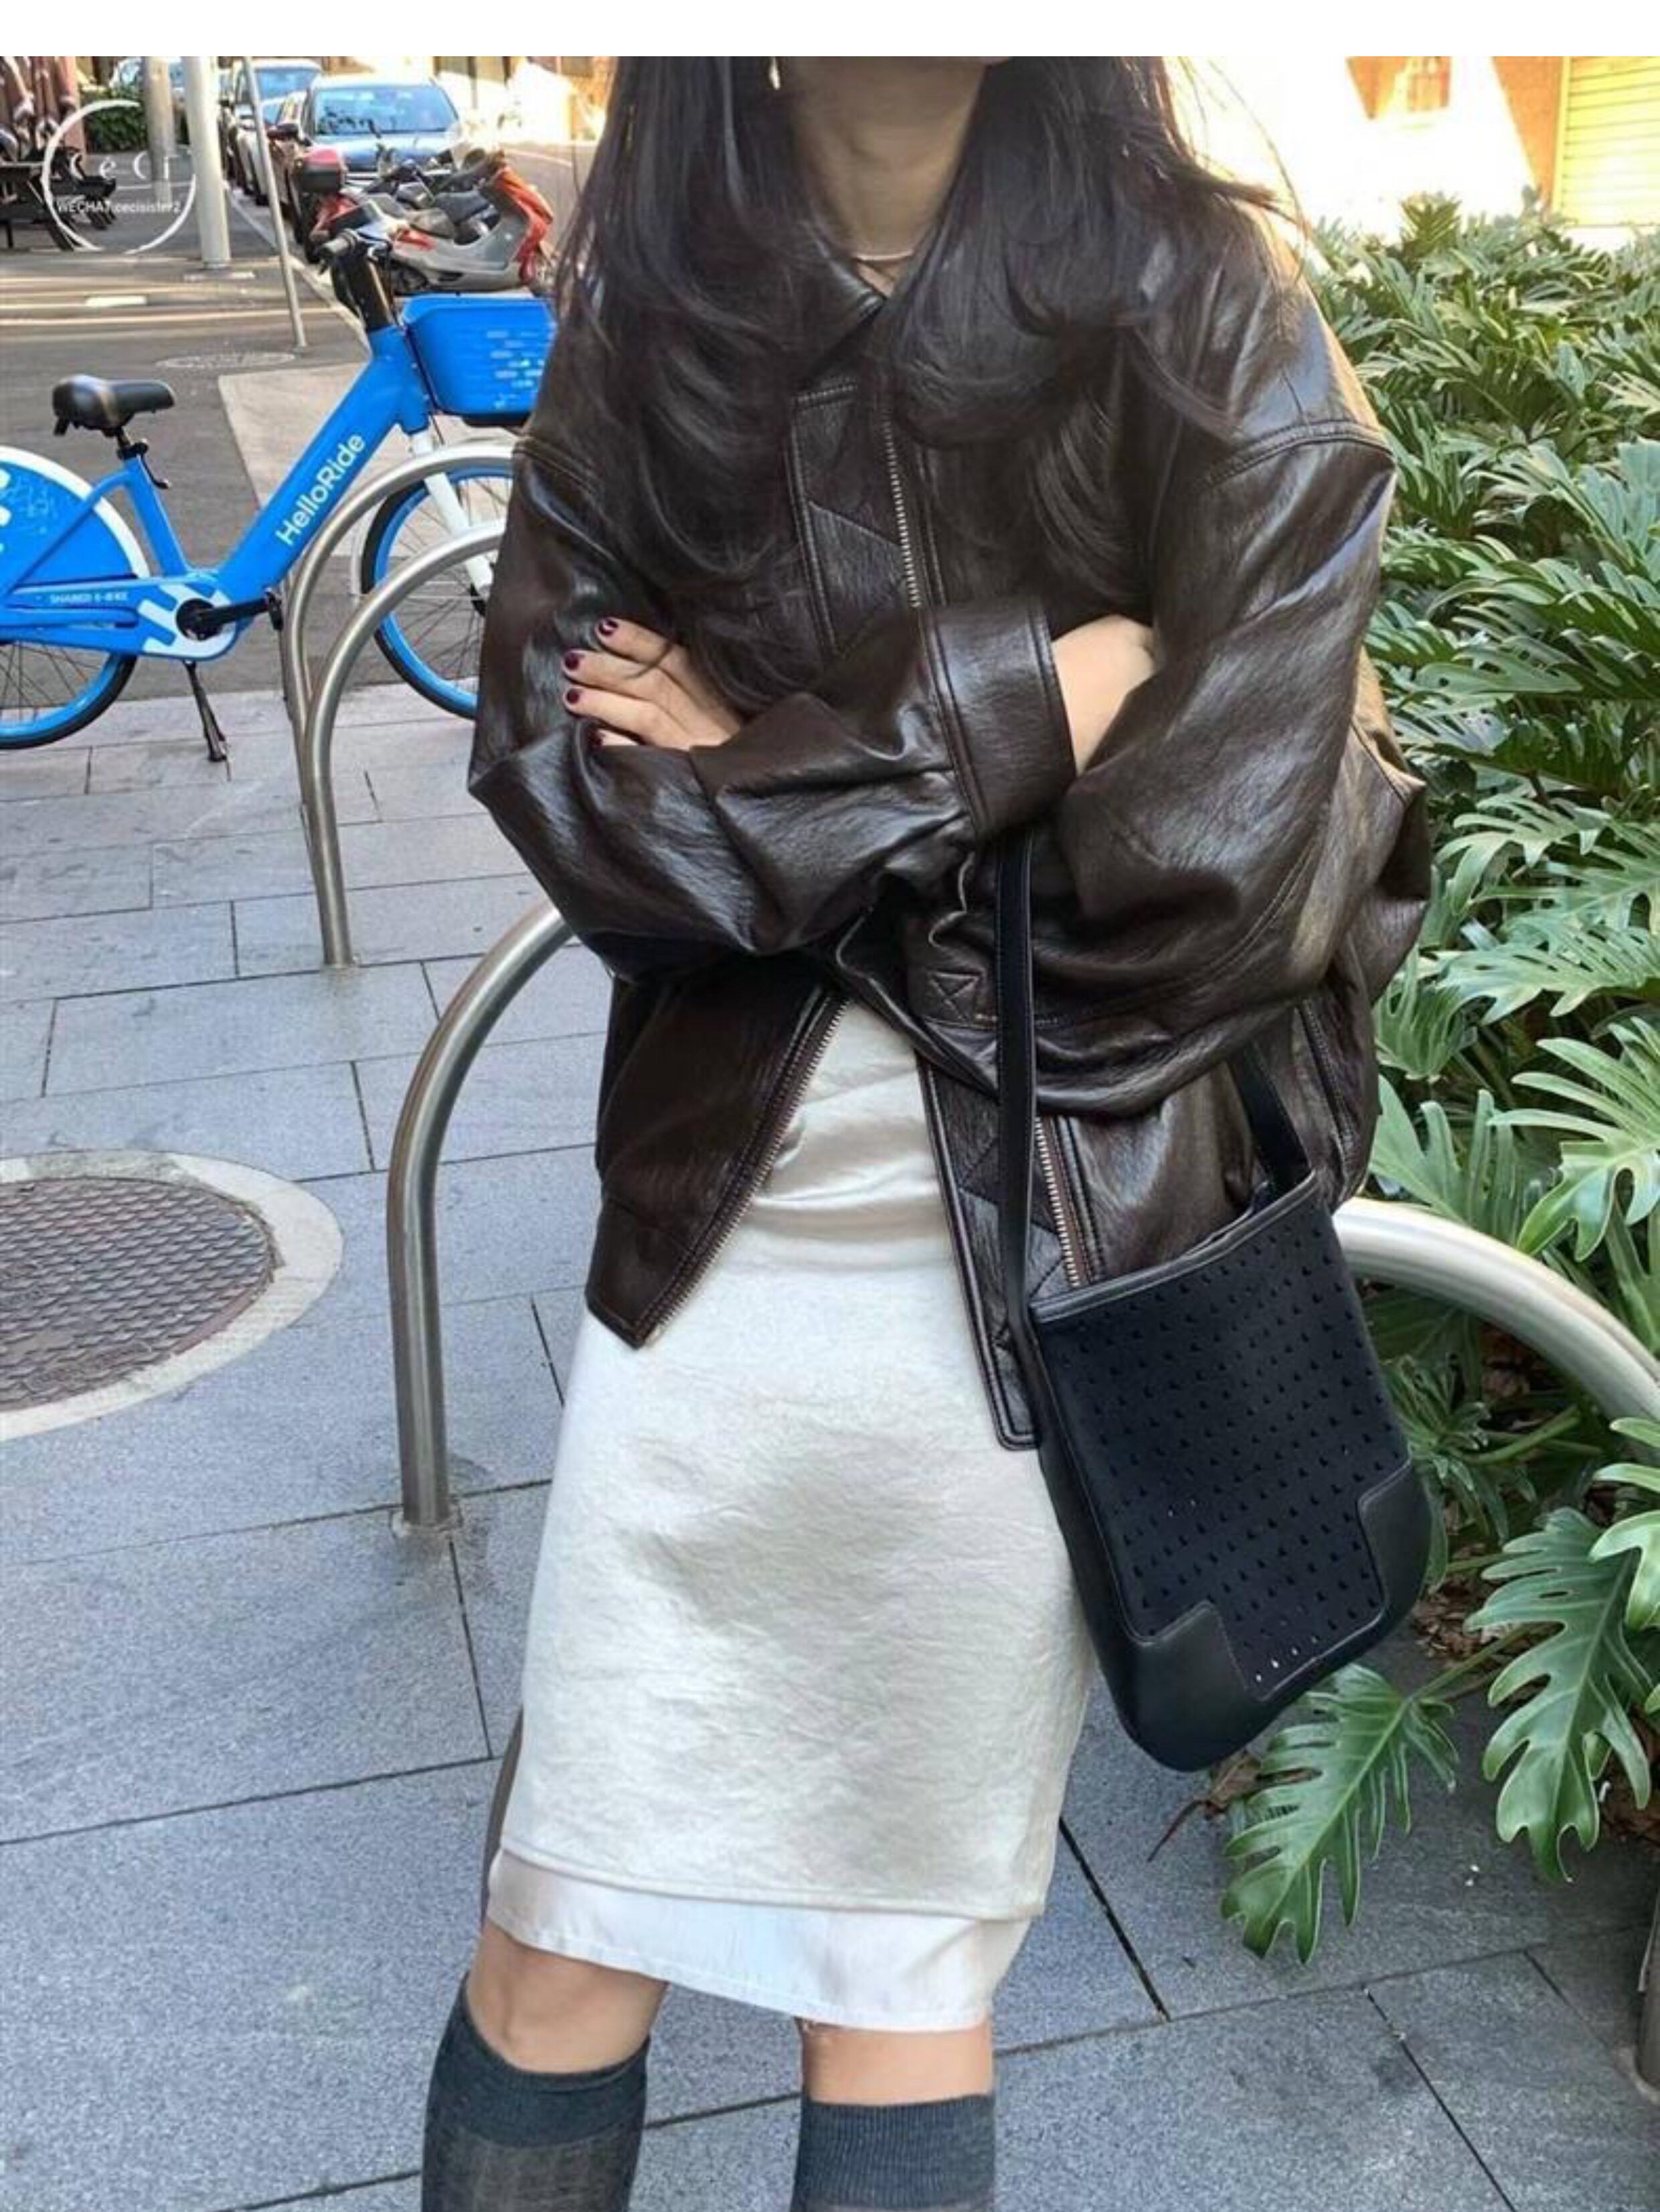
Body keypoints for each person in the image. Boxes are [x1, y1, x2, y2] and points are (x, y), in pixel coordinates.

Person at [420, 54, 1428, 2212]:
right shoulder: (654, 301)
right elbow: (590, 814)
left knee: (895, 1965)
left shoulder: (1204, 299)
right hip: (720, 1233)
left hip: (1036, 1245)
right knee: (560, 1921)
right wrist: (1016, 709)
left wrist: (769, 778)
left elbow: (1219, 890)